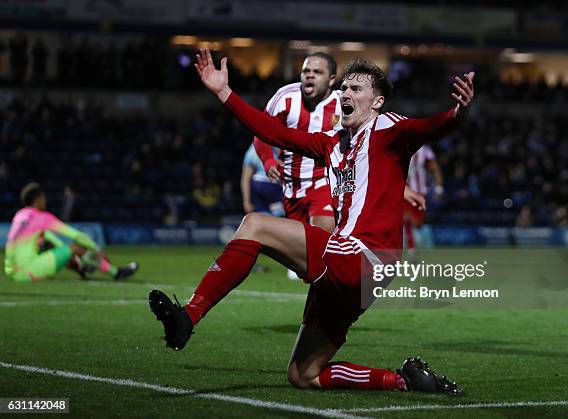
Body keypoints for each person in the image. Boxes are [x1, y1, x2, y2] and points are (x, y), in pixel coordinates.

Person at [149, 48, 475, 395]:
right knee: (304, 373)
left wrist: (458, 112)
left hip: (365, 257)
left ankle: (190, 316)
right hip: (358, 266)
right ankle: (404, 381)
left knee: (255, 225)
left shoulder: (388, 128)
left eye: (356, 89)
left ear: (377, 102)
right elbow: (275, 133)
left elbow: (432, 127)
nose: (346, 94)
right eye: (345, 88)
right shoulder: (333, 143)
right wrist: (224, 93)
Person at [253, 52, 341, 235]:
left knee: (321, 240)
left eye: (317, 72)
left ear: (331, 79)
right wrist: (268, 160)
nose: (310, 75)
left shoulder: (344, 103)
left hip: (325, 183)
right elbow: (261, 132)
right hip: (291, 187)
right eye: (305, 71)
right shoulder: (285, 97)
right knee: (298, 257)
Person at [4, 183, 138, 282]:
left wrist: (63, 250)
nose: (45, 201)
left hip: (11, 272)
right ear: (37, 200)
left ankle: (82, 269)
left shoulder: (19, 216)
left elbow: (48, 237)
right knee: (75, 248)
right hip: (28, 272)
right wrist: (97, 249)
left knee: (53, 246)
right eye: (43, 198)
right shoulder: (41, 217)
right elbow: (76, 235)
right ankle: (116, 272)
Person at [404, 145, 444, 255]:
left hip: (420, 193)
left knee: (418, 223)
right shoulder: (401, 146)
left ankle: (414, 238)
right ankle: (411, 249)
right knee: (406, 219)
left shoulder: (425, 150)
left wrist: (439, 189)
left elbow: (435, 167)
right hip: (405, 192)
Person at [240, 143, 284, 217]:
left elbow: (245, 178)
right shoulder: (277, 145)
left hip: (259, 186)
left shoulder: (252, 151)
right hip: (272, 187)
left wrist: (246, 201)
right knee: (278, 218)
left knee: (264, 219)